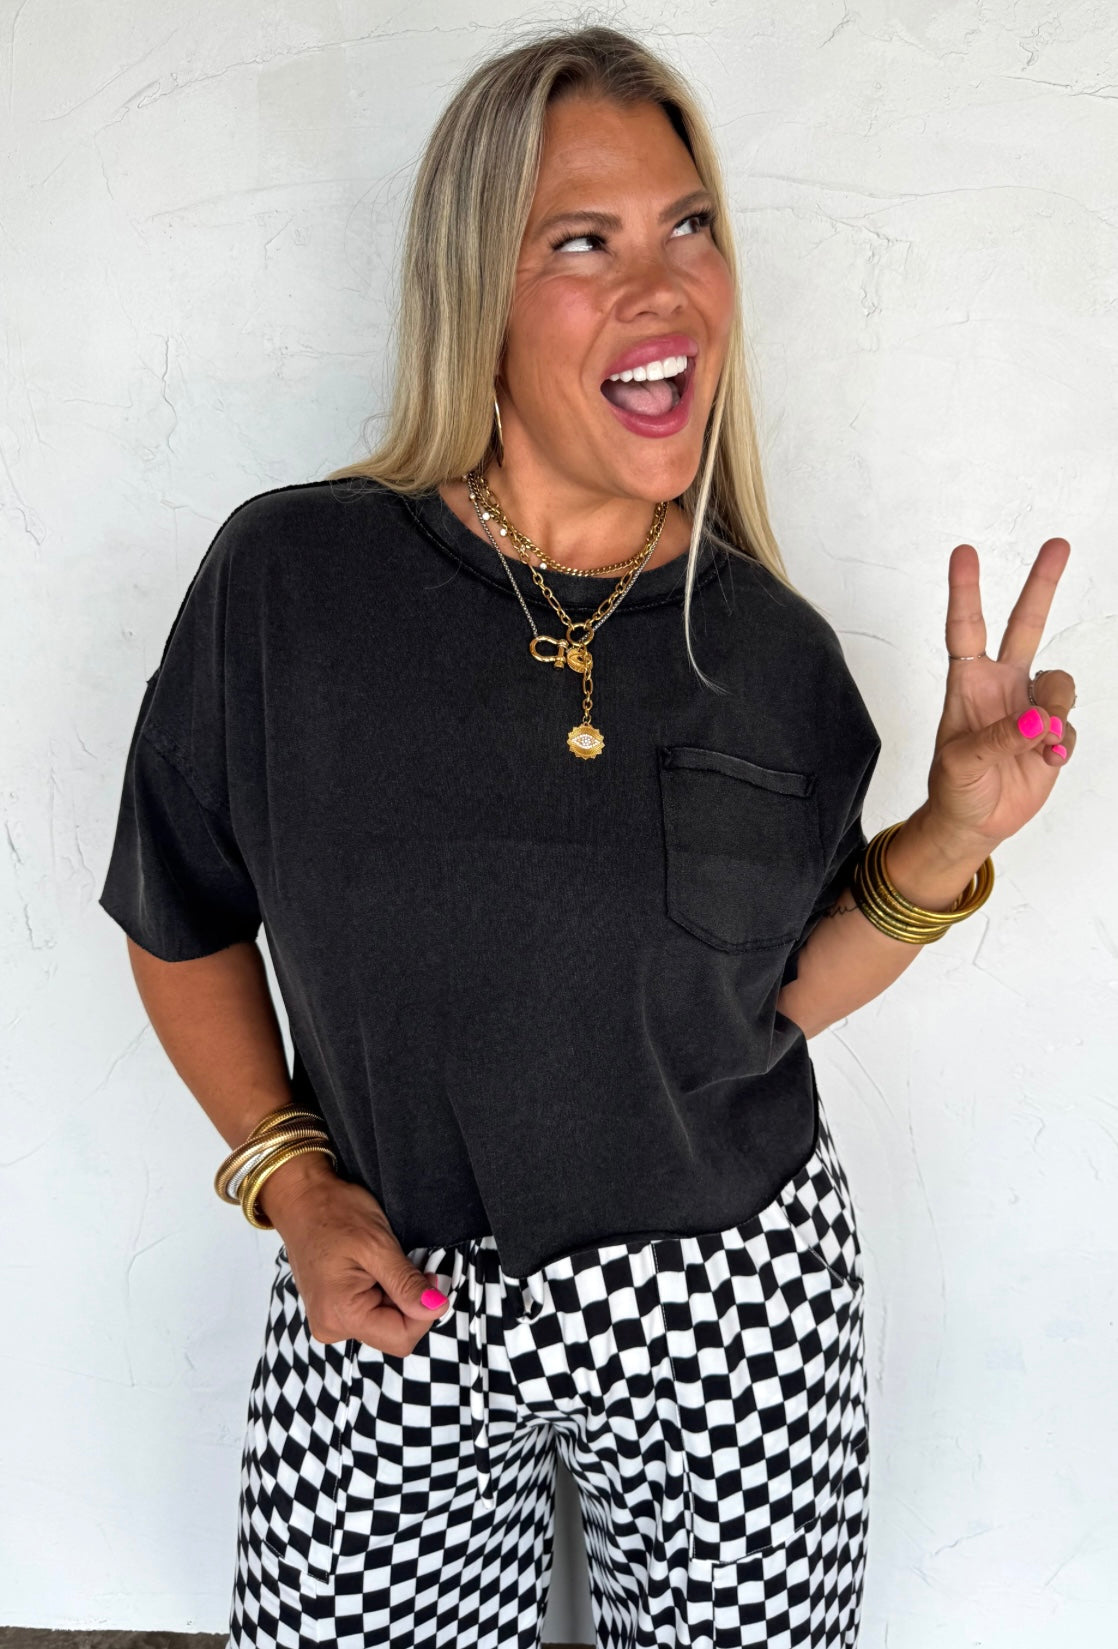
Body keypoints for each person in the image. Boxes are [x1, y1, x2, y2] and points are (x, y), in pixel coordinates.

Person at [97, 24, 1077, 1649]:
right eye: (580, 243)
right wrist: (292, 1186)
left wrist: (950, 829)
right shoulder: (294, 587)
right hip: (393, 1279)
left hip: (731, 1289)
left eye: (688, 226)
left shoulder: (770, 653)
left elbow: (772, 995)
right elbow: (179, 906)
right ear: (471, 292)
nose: (661, 287)